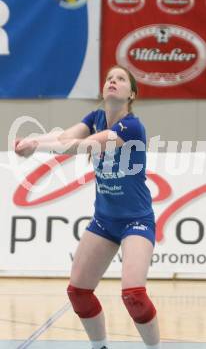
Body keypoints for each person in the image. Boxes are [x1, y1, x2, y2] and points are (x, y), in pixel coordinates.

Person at [15, 65, 161, 349]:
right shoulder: (95, 117)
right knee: (78, 293)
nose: (113, 82)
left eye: (120, 79)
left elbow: (81, 147)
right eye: (109, 78)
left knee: (134, 295)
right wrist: (33, 141)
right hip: (105, 220)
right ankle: (100, 347)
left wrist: (37, 148)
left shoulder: (131, 126)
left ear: (132, 93)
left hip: (137, 221)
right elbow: (63, 137)